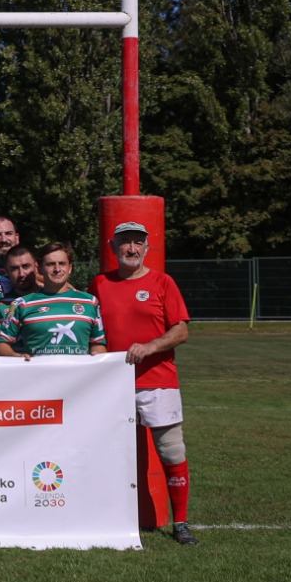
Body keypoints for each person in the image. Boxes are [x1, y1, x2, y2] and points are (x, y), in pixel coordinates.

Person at [90, 221, 198, 545]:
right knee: (109, 453)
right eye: (125, 243)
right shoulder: (99, 283)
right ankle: (106, 516)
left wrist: (150, 346)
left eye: (138, 243)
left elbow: (182, 330)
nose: (132, 249)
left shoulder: (162, 282)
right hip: (110, 384)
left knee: (171, 449)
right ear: (112, 247)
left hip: (158, 381)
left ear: (147, 248)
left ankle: (180, 523)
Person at [0, 242, 107, 357]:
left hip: (80, 374)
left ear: (70, 268)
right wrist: (18, 357)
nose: (57, 269)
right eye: (51, 264)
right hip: (39, 374)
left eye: (62, 263)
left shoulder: (90, 302)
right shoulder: (20, 304)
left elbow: (98, 343)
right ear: (40, 269)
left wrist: (96, 356)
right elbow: (1, 345)